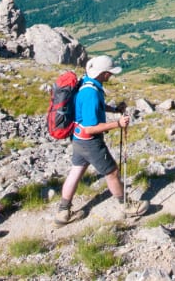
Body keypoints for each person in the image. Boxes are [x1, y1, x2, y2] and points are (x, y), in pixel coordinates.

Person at [55, 55, 149, 224]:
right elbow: (90, 128)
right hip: (90, 141)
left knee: (76, 172)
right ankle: (126, 205)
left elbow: (93, 108)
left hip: (77, 138)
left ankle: (63, 211)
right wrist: (117, 124)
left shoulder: (86, 83)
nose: (111, 76)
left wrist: (113, 109)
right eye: (109, 73)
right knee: (112, 172)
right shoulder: (91, 93)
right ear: (103, 73)